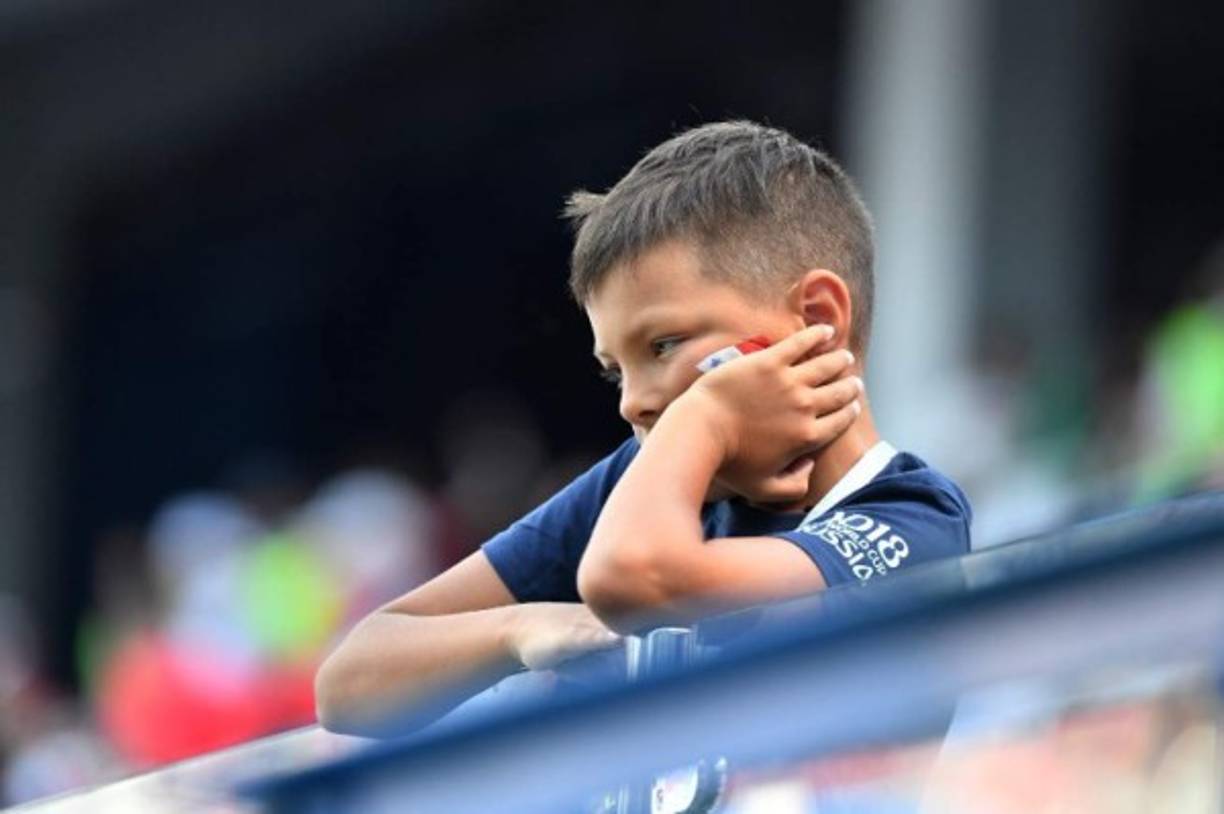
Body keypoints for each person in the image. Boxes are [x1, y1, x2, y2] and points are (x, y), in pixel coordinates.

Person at [315, 121, 972, 735]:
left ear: (818, 319)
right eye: (615, 372)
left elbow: (636, 579)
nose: (632, 403)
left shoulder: (910, 517)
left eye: (664, 345)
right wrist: (519, 627)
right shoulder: (638, 484)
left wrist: (706, 414)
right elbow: (349, 684)